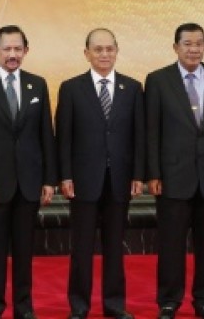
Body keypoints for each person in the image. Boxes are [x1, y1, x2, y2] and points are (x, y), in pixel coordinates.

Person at [0, 25, 57, 319]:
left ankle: (24, 308)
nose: (12, 54)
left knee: (25, 252)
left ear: (26, 51)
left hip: (29, 183)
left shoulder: (37, 85)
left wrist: (49, 180)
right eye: (7, 49)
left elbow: (46, 136)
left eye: (18, 49)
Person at [145, 23, 204, 319]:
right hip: (172, 177)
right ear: (175, 47)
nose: (194, 49)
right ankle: (169, 302)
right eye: (187, 43)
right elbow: (152, 130)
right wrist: (154, 173)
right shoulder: (158, 81)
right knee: (171, 244)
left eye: (199, 43)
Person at [55, 28, 145, 319]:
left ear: (117, 51)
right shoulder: (71, 88)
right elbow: (63, 137)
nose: (104, 54)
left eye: (109, 49)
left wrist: (138, 175)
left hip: (120, 180)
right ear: (87, 54)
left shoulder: (132, 89)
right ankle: (79, 307)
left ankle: (115, 305)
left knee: (115, 249)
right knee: (81, 249)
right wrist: (64, 175)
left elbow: (139, 137)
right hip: (82, 182)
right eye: (98, 49)